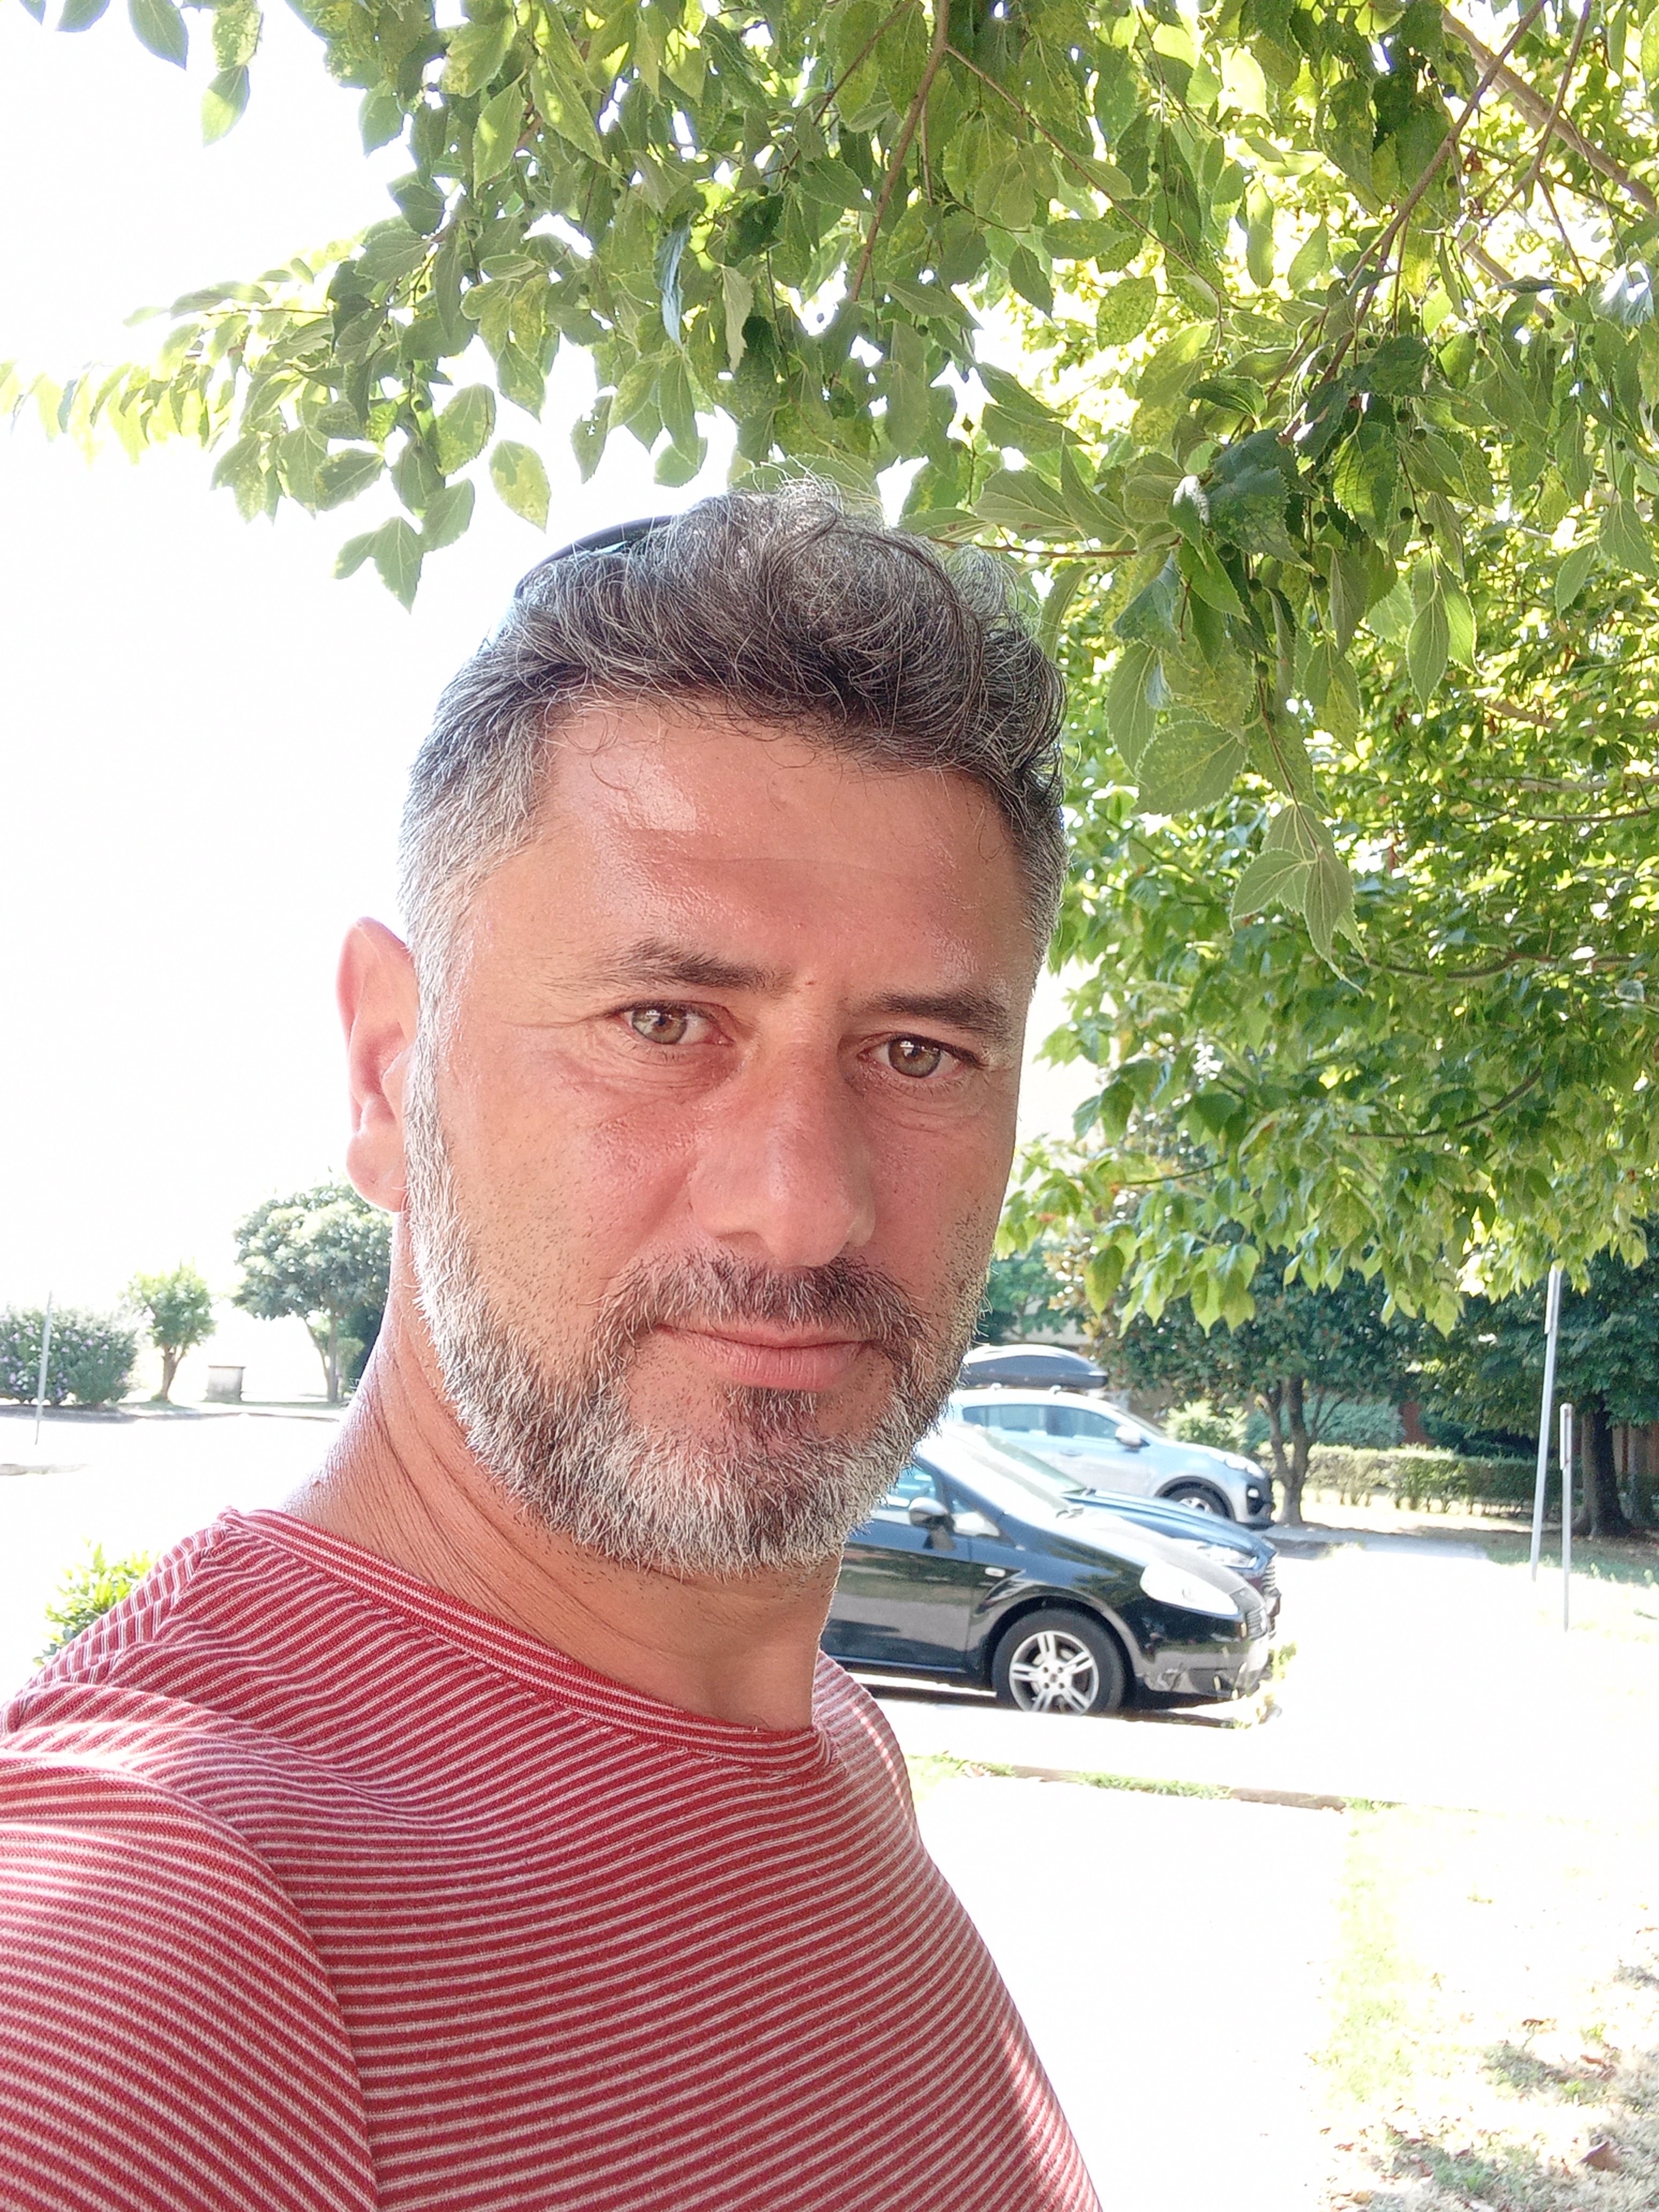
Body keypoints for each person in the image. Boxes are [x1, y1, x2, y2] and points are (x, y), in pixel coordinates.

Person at [0, 488, 1099, 2211]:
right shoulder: (146, 1948)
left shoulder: (828, 1739)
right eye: (665, 1022)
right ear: (389, 1072)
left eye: (919, 1054)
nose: (801, 1209)